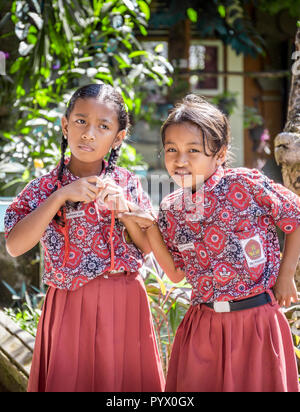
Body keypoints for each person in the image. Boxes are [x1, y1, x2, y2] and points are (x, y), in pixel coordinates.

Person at [118, 94, 300, 392]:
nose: (180, 160)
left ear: (220, 154)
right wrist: (149, 225)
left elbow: (295, 218)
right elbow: (176, 273)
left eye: (193, 150)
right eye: (171, 150)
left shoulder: (245, 184)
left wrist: (286, 275)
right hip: (203, 328)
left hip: (257, 323)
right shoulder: (171, 208)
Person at [4, 83, 165, 392]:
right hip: (69, 305)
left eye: (103, 126)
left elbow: (147, 246)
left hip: (126, 300)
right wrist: (61, 196)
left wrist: (125, 209)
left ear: (118, 138)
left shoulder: (127, 184)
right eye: (81, 121)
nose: (89, 133)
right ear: (65, 126)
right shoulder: (43, 188)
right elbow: (14, 245)